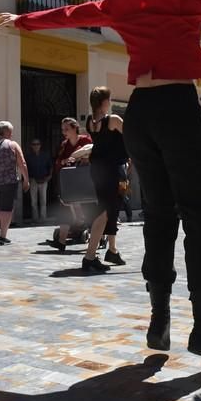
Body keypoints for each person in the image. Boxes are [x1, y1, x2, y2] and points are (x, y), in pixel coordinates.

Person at [0, 0, 201, 355]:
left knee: (159, 217)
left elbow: (74, 14)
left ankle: (159, 319)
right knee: (197, 216)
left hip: (141, 112)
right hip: (180, 107)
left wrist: (23, 21)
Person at [81, 87, 128, 271]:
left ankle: (107, 251)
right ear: (104, 102)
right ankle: (90, 256)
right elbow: (131, 134)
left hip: (98, 170)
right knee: (105, 212)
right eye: (109, 99)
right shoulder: (113, 120)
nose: (111, 101)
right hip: (112, 170)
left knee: (106, 210)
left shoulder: (90, 122)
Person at [48, 117, 92, 250]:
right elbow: (58, 161)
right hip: (69, 182)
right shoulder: (64, 144)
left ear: (75, 128)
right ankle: (61, 241)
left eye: (67, 129)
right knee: (65, 209)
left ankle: (95, 238)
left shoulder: (86, 140)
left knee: (88, 209)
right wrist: (63, 162)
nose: (64, 132)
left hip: (84, 181)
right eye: (62, 129)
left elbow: (92, 155)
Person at [26, 138, 52, 223]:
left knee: (43, 200)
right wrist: (27, 179)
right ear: (31, 146)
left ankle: (43, 218)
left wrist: (50, 176)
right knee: (34, 200)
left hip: (44, 179)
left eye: (37, 144)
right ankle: (35, 219)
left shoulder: (46, 155)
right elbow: (25, 168)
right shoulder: (28, 156)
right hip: (33, 179)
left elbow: (50, 166)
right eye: (34, 144)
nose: (36, 146)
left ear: (40, 145)